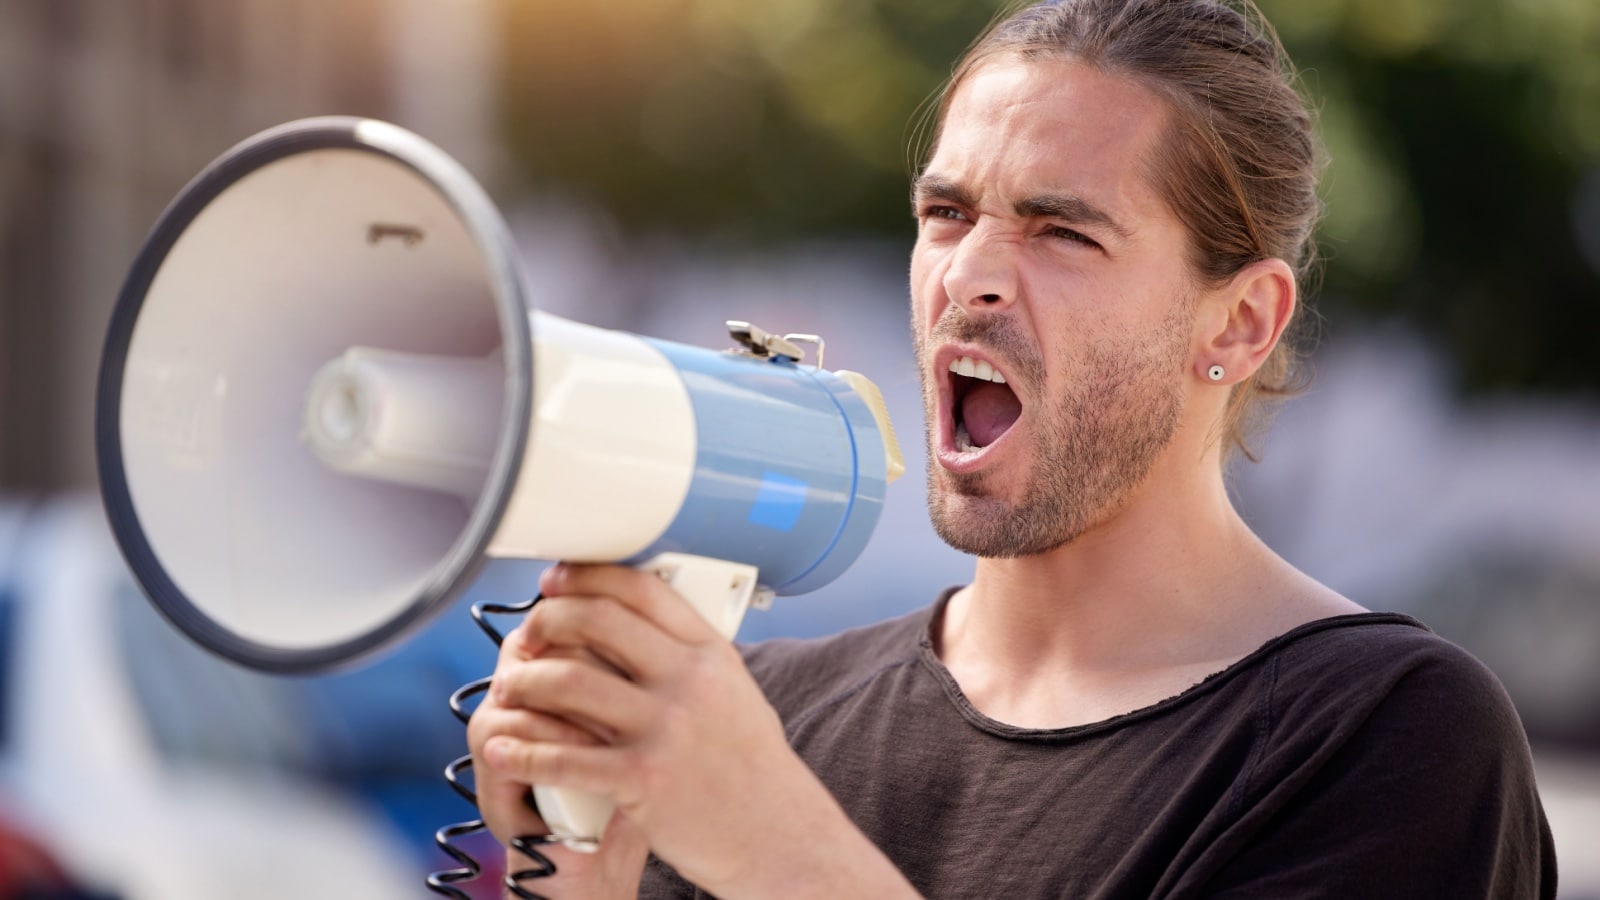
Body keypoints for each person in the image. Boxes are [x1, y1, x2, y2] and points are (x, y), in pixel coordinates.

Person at [466, 0, 1559, 896]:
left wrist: (767, 846)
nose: (968, 277)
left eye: (1061, 231)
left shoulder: (1380, 738)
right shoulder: (771, 715)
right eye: (945, 214)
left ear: (1237, 323)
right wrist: (570, 873)